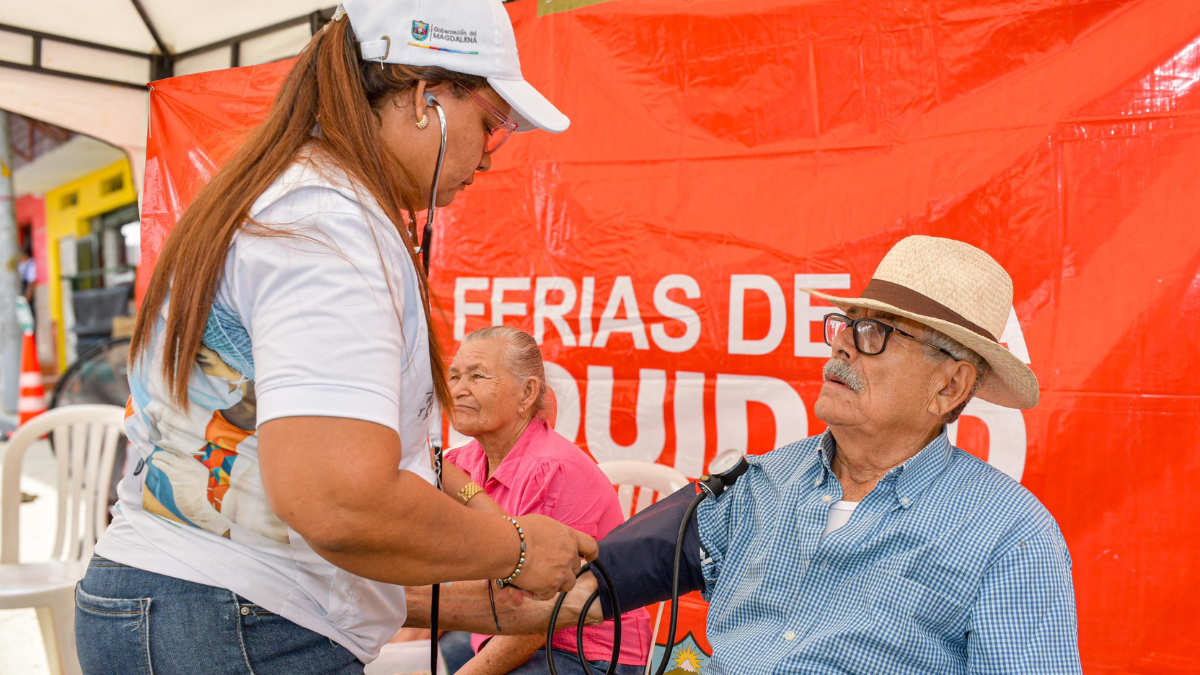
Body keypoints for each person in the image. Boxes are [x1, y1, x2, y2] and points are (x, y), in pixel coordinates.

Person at [75, 1, 593, 673]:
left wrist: (488, 603)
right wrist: (517, 548)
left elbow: (285, 507)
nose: (487, 159)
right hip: (234, 628)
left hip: (180, 603)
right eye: (490, 125)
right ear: (424, 99)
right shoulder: (327, 222)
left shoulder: (283, 194)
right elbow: (339, 502)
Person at [564, 236, 1082, 674]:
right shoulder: (761, 482)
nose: (842, 346)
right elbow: (586, 585)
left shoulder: (1010, 536)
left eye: (877, 332)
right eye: (847, 323)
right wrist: (521, 561)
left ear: (949, 387)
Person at [435, 327, 652, 675]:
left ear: (527, 393)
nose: (458, 389)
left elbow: (541, 618)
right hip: (499, 631)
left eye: (477, 376)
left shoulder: (555, 470)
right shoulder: (458, 464)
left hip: (583, 652)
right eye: (454, 376)